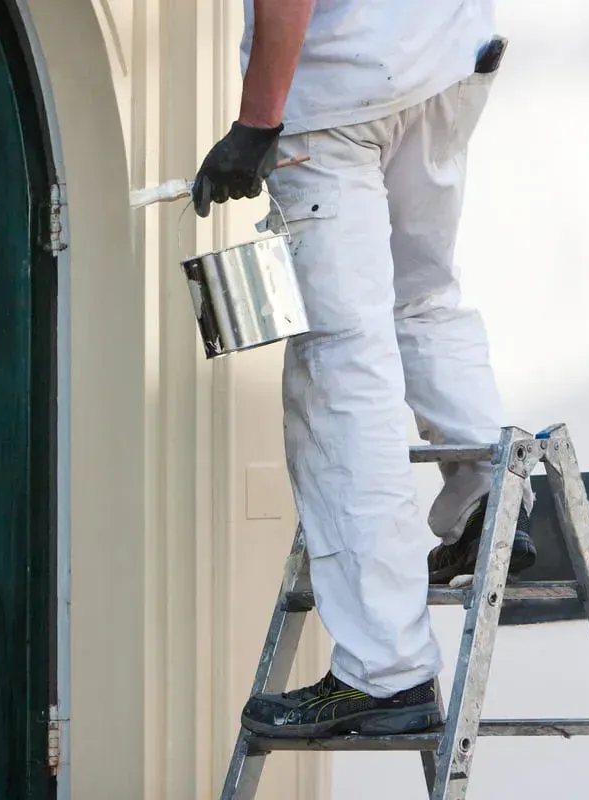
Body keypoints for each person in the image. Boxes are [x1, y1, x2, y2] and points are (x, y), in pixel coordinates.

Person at [192, 0, 537, 739]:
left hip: (339, 93)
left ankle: (385, 668)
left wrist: (256, 124)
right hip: (445, 62)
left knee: (342, 366)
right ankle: (490, 504)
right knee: (424, 298)